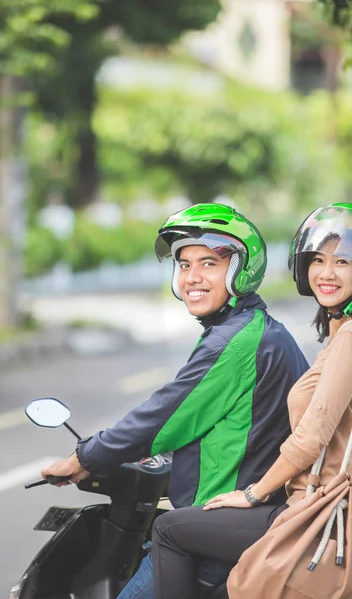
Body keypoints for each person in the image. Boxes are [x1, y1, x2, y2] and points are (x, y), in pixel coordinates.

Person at [40, 203, 308, 599]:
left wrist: (83, 458)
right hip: (257, 512)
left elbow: (165, 414)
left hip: (226, 526)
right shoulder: (256, 329)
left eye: (208, 264)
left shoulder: (236, 342)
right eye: (184, 265)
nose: (192, 277)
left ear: (240, 271)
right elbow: (223, 420)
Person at [151, 202, 352, 599]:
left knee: (169, 529)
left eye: (342, 262)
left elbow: (311, 437)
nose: (326, 273)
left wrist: (252, 493)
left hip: (317, 513)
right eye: (318, 260)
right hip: (351, 513)